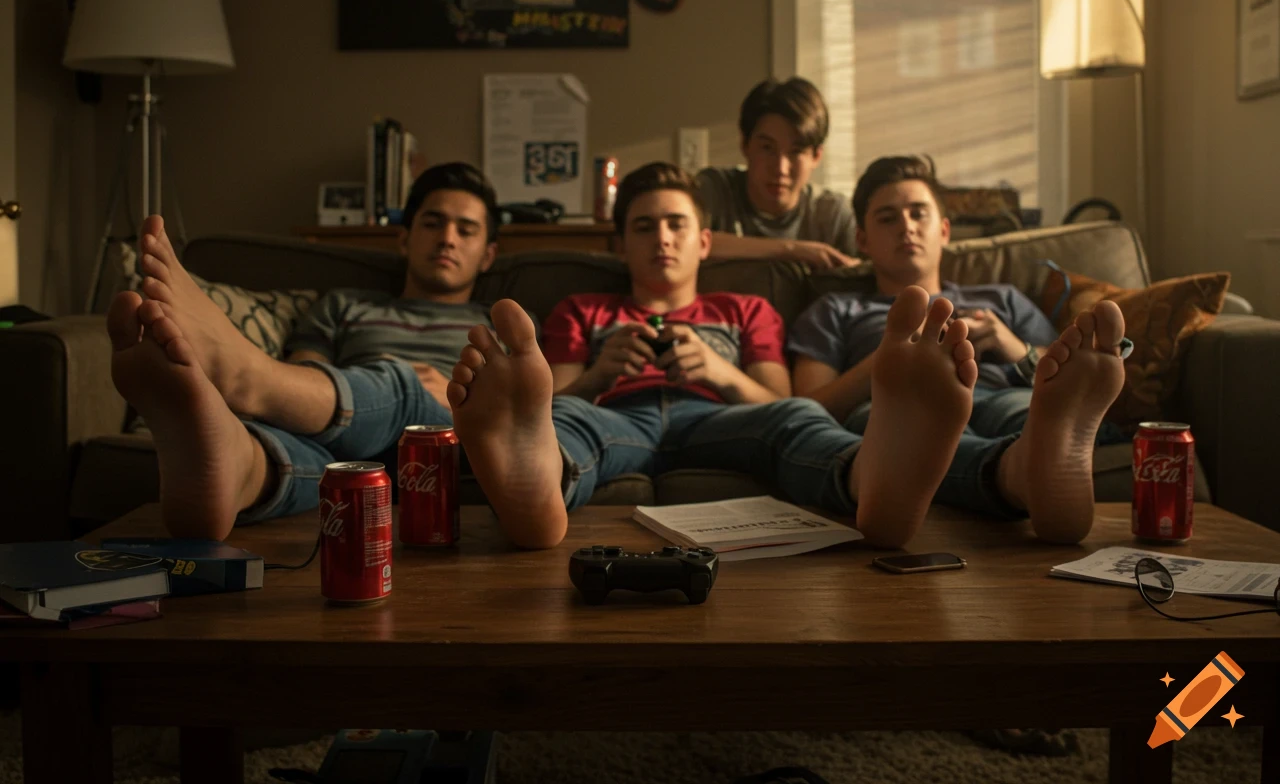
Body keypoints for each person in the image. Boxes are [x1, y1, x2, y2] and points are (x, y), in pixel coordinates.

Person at [445, 161, 1118, 551]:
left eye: (676, 224)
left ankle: (874, 483)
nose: (661, 239)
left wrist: (716, 371)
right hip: (614, 413)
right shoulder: (583, 309)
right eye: (643, 227)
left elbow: (783, 400)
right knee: (564, 425)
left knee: (798, 423)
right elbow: (558, 394)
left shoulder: (745, 310)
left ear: (705, 242)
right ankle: (537, 484)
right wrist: (599, 371)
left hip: (718, 416)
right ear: (619, 245)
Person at [107, 162, 501, 540]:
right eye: (433, 223)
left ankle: (245, 375)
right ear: (404, 237)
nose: (448, 238)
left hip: (444, 436)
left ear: (487, 255)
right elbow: (304, 368)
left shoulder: (501, 323)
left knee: (402, 389)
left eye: (466, 230)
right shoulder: (346, 305)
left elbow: (519, 415)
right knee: (327, 461)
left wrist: (443, 400)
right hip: (348, 429)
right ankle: (240, 469)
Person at [788, 155, 1129, 545]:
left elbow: (1064, 365)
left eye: (919, 214)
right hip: (897, 408)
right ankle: (1020, 470)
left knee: (1024, 408)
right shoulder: (836, 309)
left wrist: (1011, 345)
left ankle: (1040, 451)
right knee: (910, 428)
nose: (906, 227)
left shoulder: (1002, 299)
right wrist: (888, 363)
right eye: (887, 218)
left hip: (1004, 391)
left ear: (945, 230)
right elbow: (813, 404)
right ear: (861, 240)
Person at [697, 77, 859, 270]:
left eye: (796, 151)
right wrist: (792, 249)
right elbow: (686, 243)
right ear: (745, 146)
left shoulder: (831, 213)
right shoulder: (715, 190)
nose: (780, 168)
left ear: (816, 156)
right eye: (767, 148)